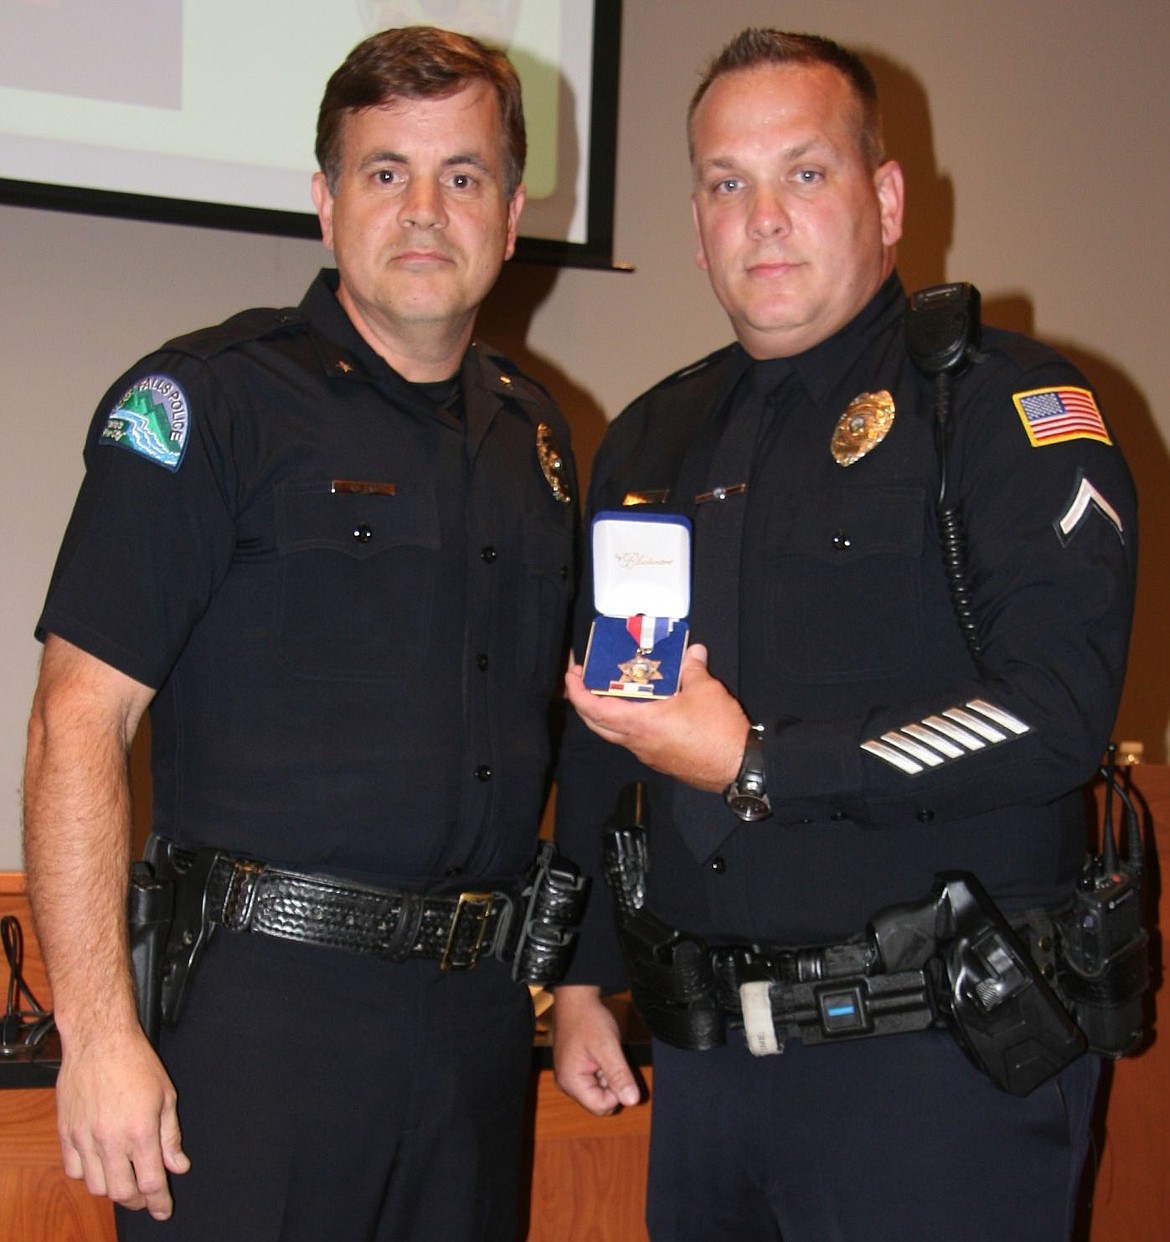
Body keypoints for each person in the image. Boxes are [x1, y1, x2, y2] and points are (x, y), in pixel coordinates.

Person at [552, 28, 1137, 1242]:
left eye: (803, 174)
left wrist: (760, 762)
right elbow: (619, 723)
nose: (762, 216)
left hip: (936, 1074)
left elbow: (1054, 711)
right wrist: (582, 972)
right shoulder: (651, 439)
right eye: (726, 182)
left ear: (883, 197)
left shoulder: (1003, 409)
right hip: (710, 1070)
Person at [23, 25, 579, 1242]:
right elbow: (78, 720)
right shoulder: (208, 404)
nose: (426, 209)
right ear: (325, 203)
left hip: (474, 1029)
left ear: (513, 209)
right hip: (261, 1031)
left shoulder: (537, 440)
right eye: (386, 172)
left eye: (464, 175)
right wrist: (99, 1032)